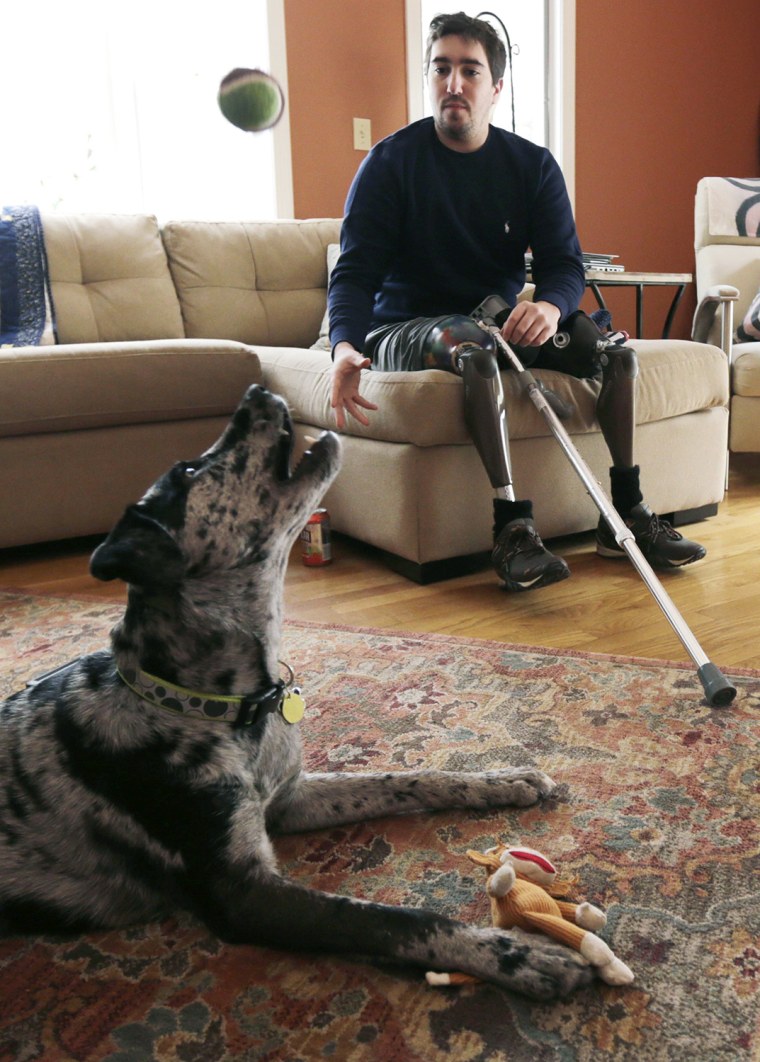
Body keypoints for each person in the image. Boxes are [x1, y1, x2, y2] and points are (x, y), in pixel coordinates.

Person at [328, 10, 705, 592]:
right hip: (403, 325)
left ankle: (625, 512)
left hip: (489, 318)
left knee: (614, 355)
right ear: (429, 79)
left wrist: (552, 307)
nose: (454, 83)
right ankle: (512, 527)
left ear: (496, 88)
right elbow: (352, 275)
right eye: (441, 69)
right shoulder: (388, 164)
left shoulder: (531, 166)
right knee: (474, 347)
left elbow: (562, 263)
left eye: (470, 71)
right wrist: (345, 348)